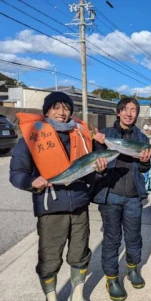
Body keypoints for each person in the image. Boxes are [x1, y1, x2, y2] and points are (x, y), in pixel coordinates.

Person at [9, 91, 107, 301]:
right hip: (50, 206)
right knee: (50, 257)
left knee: (79, 254)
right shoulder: (31, 138)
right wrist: (30, 182)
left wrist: (99, 169)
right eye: (57, 107)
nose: (62, 113)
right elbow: (16, 173)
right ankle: (51, 297)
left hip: (80, 205)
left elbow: (91, 173)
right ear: (47, 110)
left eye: (67, 108)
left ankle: (77, 294)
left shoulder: (81, 135)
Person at [92, 97, 151, 301]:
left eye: (133, 110)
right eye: (125, 109)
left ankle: (133, 268)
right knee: (112, 238)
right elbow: (94, 163)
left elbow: (145, 168)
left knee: (134, 236)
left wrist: (145, 162)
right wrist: (99, 162)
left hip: (134, 196)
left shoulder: (142, 138)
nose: (129, 113)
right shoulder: (105, 135)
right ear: (118, 112)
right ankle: (112, 277)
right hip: (110, 195)